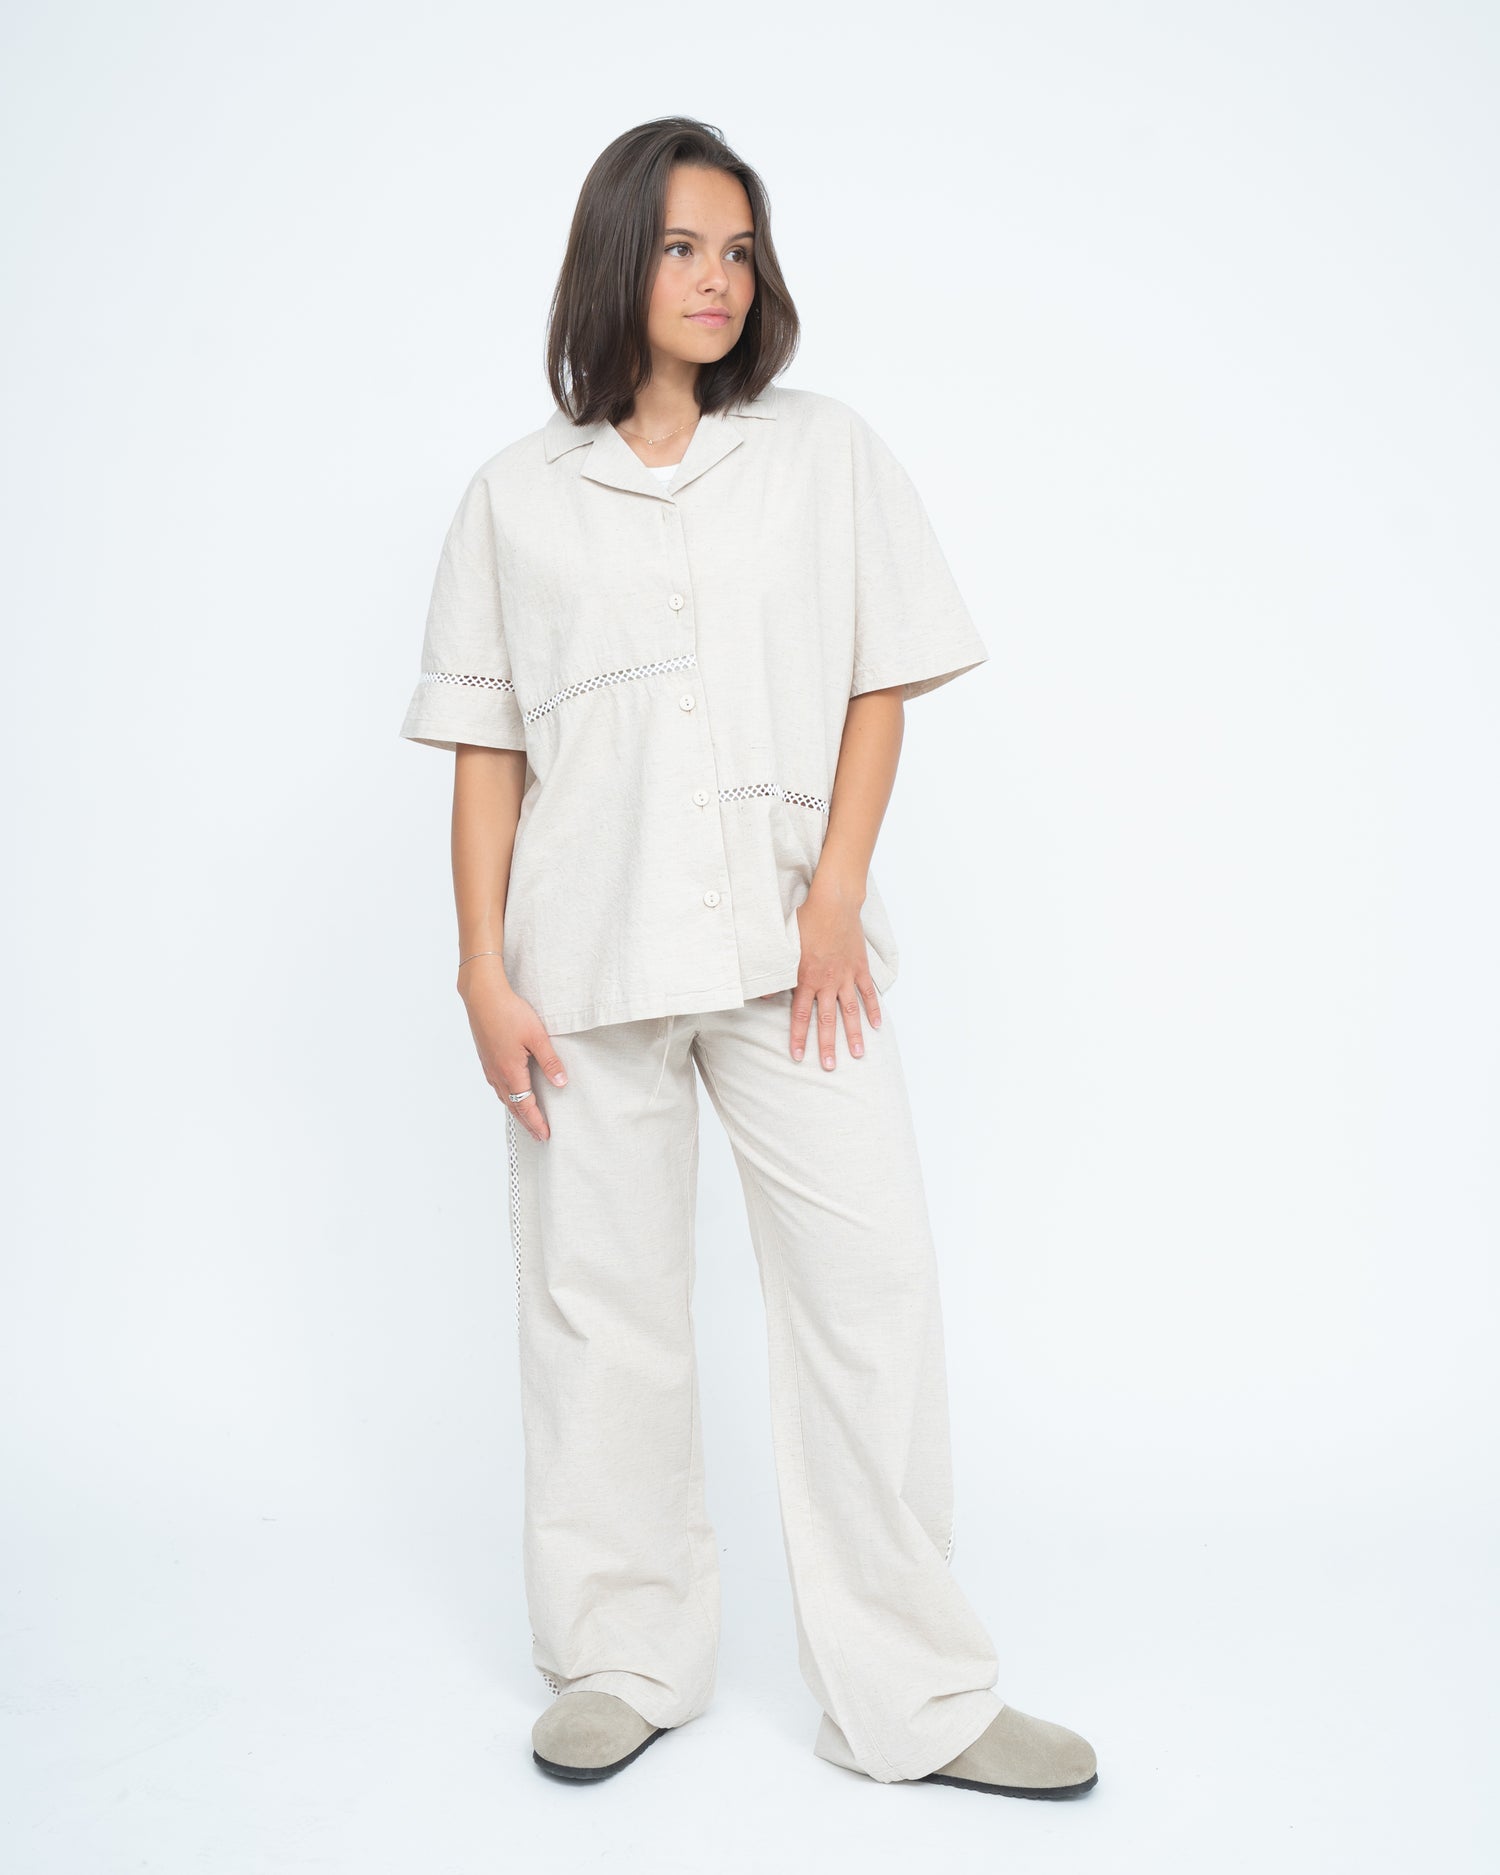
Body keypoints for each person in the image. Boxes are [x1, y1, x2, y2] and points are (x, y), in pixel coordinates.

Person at [398, 116, 1098, 1800]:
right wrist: (482, 968)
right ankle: (622, 1657)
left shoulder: (823, 455)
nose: (717, 279)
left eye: (739, 249)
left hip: (797, 961)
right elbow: (489, 752)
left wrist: (836, 891)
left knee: (871, 1296)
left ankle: (915, 1696)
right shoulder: (514, 498)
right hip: (583, 962)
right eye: (681, 247)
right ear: (615, 261)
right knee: (601, 1315)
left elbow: (882, 676)